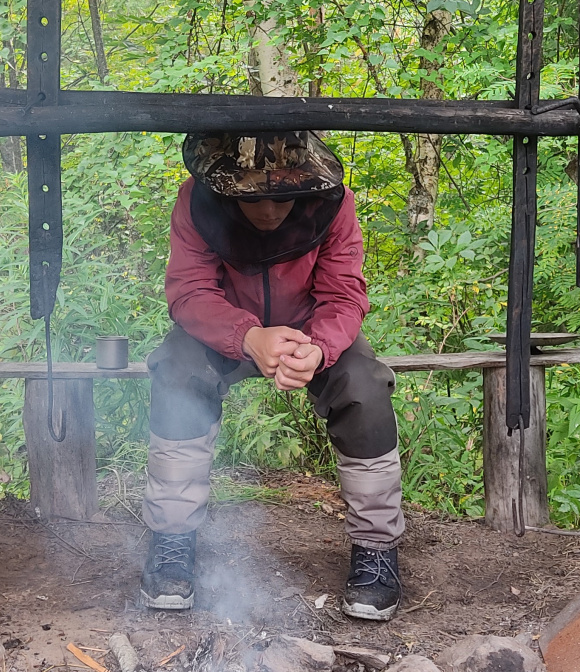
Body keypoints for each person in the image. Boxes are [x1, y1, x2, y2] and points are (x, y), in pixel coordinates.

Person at [140, 130, 404, 621]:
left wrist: (319, 348)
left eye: (283, 195)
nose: (268, 210)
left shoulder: (335, 204)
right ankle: (172, 541)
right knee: (176, 371)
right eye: (252, 196)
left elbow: (345, 295)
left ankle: (376, 551)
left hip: (310, 332)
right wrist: (248, 336)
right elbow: (189, 291)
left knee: (364, 386)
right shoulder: (195, 204)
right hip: (222, 330)